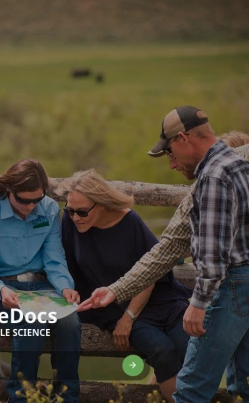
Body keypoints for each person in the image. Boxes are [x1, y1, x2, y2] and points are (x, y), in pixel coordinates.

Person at [79, 106, 249, 402]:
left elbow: (213, 251)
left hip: (228, 287)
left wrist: (199, 302)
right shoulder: (242, 165)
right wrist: (116, 290)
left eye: (169, 152)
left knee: (191, 389)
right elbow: (170, 247)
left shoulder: (214, 177)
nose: (171, 164)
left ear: (183, 138)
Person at [56, 169, 191, 403]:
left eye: (82, 211)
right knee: (163, 351)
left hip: (152, 299)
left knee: (189, 348)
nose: (75, 217)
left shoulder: (130, 222)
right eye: (69, 210)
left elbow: (152, 271)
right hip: (109, 306)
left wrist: (129, 317)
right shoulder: (70, 222)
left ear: (101, 205)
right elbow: (65, 263)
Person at [0, 159, 81, 403]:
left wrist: (65, 287)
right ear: (9, 189)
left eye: (36, 200)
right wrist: (1, 291)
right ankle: (20, 398)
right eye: (23, 200)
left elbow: (54, 258)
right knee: (32, 324)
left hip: (41, 289)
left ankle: (66, 397)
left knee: (70, 322)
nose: (31, 206)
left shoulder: (50, 209)